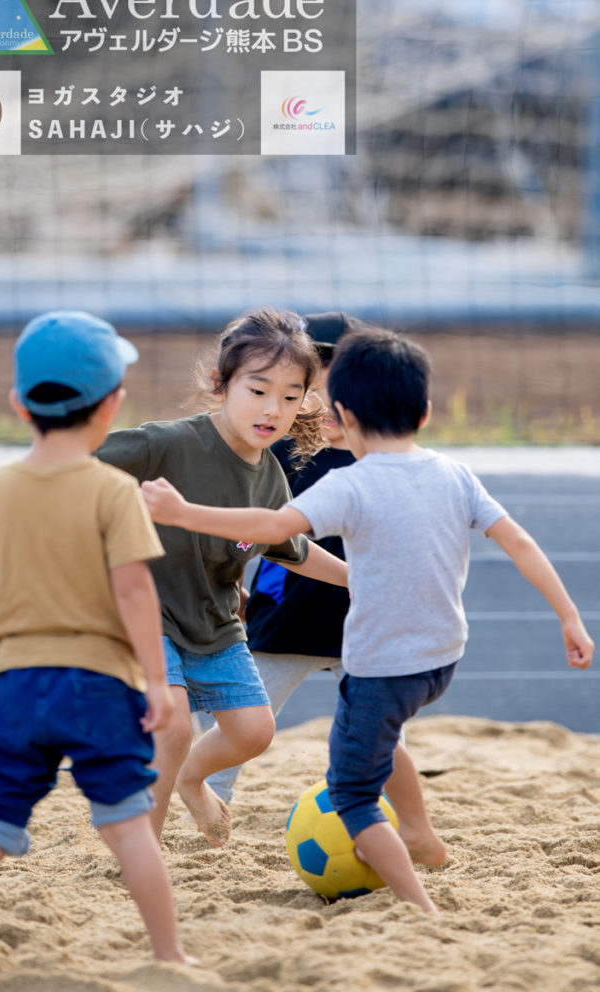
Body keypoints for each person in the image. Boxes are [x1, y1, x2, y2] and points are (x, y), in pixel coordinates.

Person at [140, 327, 595, 914]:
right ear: (426, 412)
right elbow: (521, 541)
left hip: (377, 663)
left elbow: (274, 530)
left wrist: (181, 511)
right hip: (437, 662)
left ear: (340, 414)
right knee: (379, 739)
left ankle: (417, 899)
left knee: (353, 793)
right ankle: (418, 831)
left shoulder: (349, 485)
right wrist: (570, 617)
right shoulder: (455, 473)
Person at [0, 311, 190, 968]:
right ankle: (168, 957)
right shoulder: (113, 491)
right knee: (127, 824)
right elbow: (135, 592)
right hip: (99, 684)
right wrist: (157, 682)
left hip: (17, 684)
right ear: (113, 406)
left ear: (20, 404)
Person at [96, 307, 348, 848]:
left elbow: (291, 550)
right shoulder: (167, 443)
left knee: (255, 731)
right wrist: (14, 478)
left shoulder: (271, 478)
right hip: (143, 611)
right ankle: (142, 852)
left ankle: (191, 777)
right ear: (221, 384)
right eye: (257, 391)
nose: (272, 408)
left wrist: (361, 580)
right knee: (172, 726)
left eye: (289, 395)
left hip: (212, 622)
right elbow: (76, 461)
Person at [200, 312, 359, 804]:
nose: (329, 406)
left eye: (346, 393)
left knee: (376, 732)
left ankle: (381, 815)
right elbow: (250, 531)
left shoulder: (381, 460)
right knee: (243, 725)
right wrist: (235, 585)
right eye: (312, 394)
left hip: (362, 622)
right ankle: (205, 799)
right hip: (284, 620)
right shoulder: (278, 455)